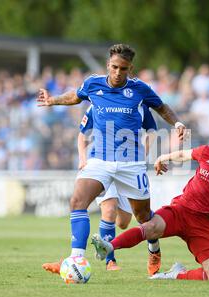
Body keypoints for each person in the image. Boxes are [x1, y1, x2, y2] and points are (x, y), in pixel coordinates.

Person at [38, 44, 187, 276]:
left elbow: (162, 108)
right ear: (108, 65)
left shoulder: (140, 89)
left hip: (131, 163)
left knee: (143, 217)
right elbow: (75, 97)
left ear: (130, 69)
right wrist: (53, 100)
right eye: (115, 67)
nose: (118, 72)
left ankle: (154, 249)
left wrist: (177, 123)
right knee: (78, 201)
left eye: (123, 69)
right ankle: (76, 259)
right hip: (99, 161)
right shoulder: (93, 84)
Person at [91, 129, 209, 281]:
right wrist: (163, 157)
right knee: (151, 227)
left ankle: (174, 274)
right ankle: (109, 246)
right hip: (181, 210)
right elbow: (183, 154)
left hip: (205, 225)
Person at [78, 104, 157, 271]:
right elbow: (82, 133)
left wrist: (144, 155)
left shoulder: (139, 103)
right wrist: (82, 158)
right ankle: (110, 261)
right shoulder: (97, 102)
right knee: (109, 209)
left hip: (129, 167)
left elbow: (152, 131)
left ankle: (154, 249)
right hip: (102, 164)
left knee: (125, 222)